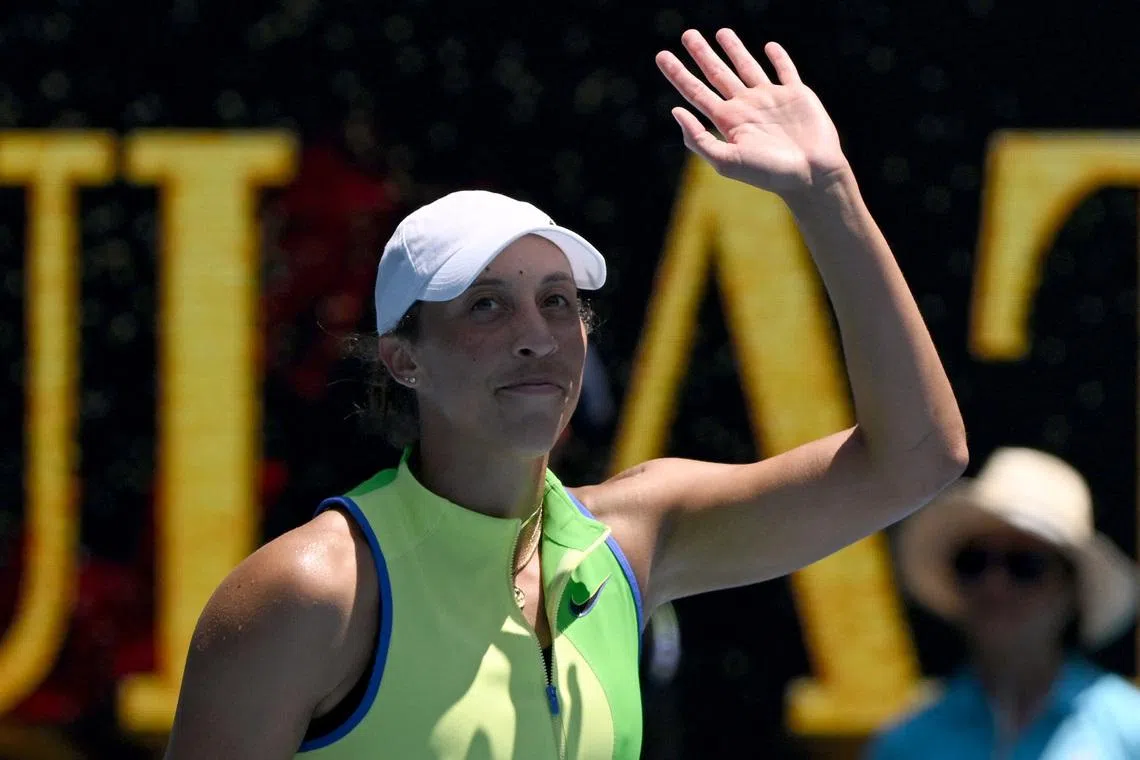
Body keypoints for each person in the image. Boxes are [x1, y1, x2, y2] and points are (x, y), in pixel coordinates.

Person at [163, 28, 967, 760]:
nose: (536, 334)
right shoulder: (309, 592)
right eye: (486, 304)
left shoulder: (634, 538)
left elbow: (919, 460)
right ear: (403, 360)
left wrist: (826, 192)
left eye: (557, 300)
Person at [867, 447, 1140, 759]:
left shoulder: (1130, 730)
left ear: (1072, 590)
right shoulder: (907, 744)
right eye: (973, 562)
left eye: (1024, 565)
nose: (994, 585)